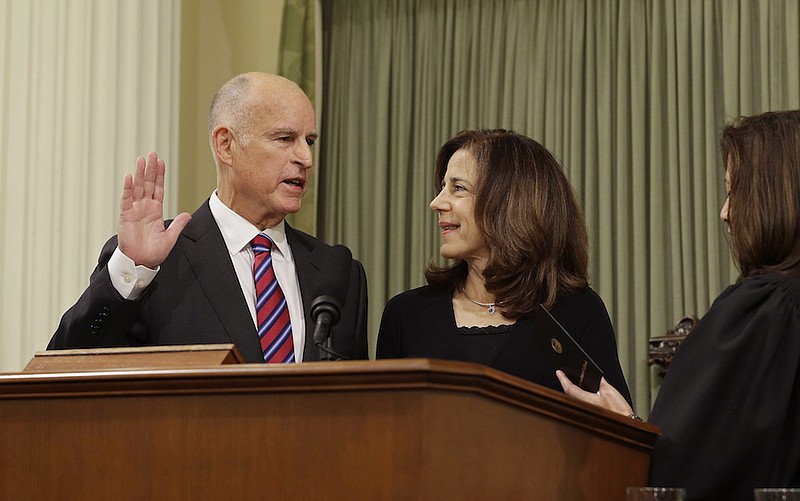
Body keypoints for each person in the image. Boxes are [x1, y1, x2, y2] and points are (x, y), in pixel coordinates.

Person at [557, 110, 800, 500]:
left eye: (734, 191)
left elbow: (684, 476)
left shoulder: (765, 309)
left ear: (775, 198)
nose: (726, 213)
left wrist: (625, 426)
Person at [48, 72, 368, 363]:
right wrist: (130, 271)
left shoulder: (338, 273)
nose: (306, 158)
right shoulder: (156, 263)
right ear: (226, 145)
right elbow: (63, 367)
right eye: (284, 139)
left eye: (309, 141)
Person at [376, 129, 632, 401]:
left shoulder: (576, 312)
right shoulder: (406, 315)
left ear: (509, 202)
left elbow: (617, 429)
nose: (436, 202)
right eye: (442, 187)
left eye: (458, 188)